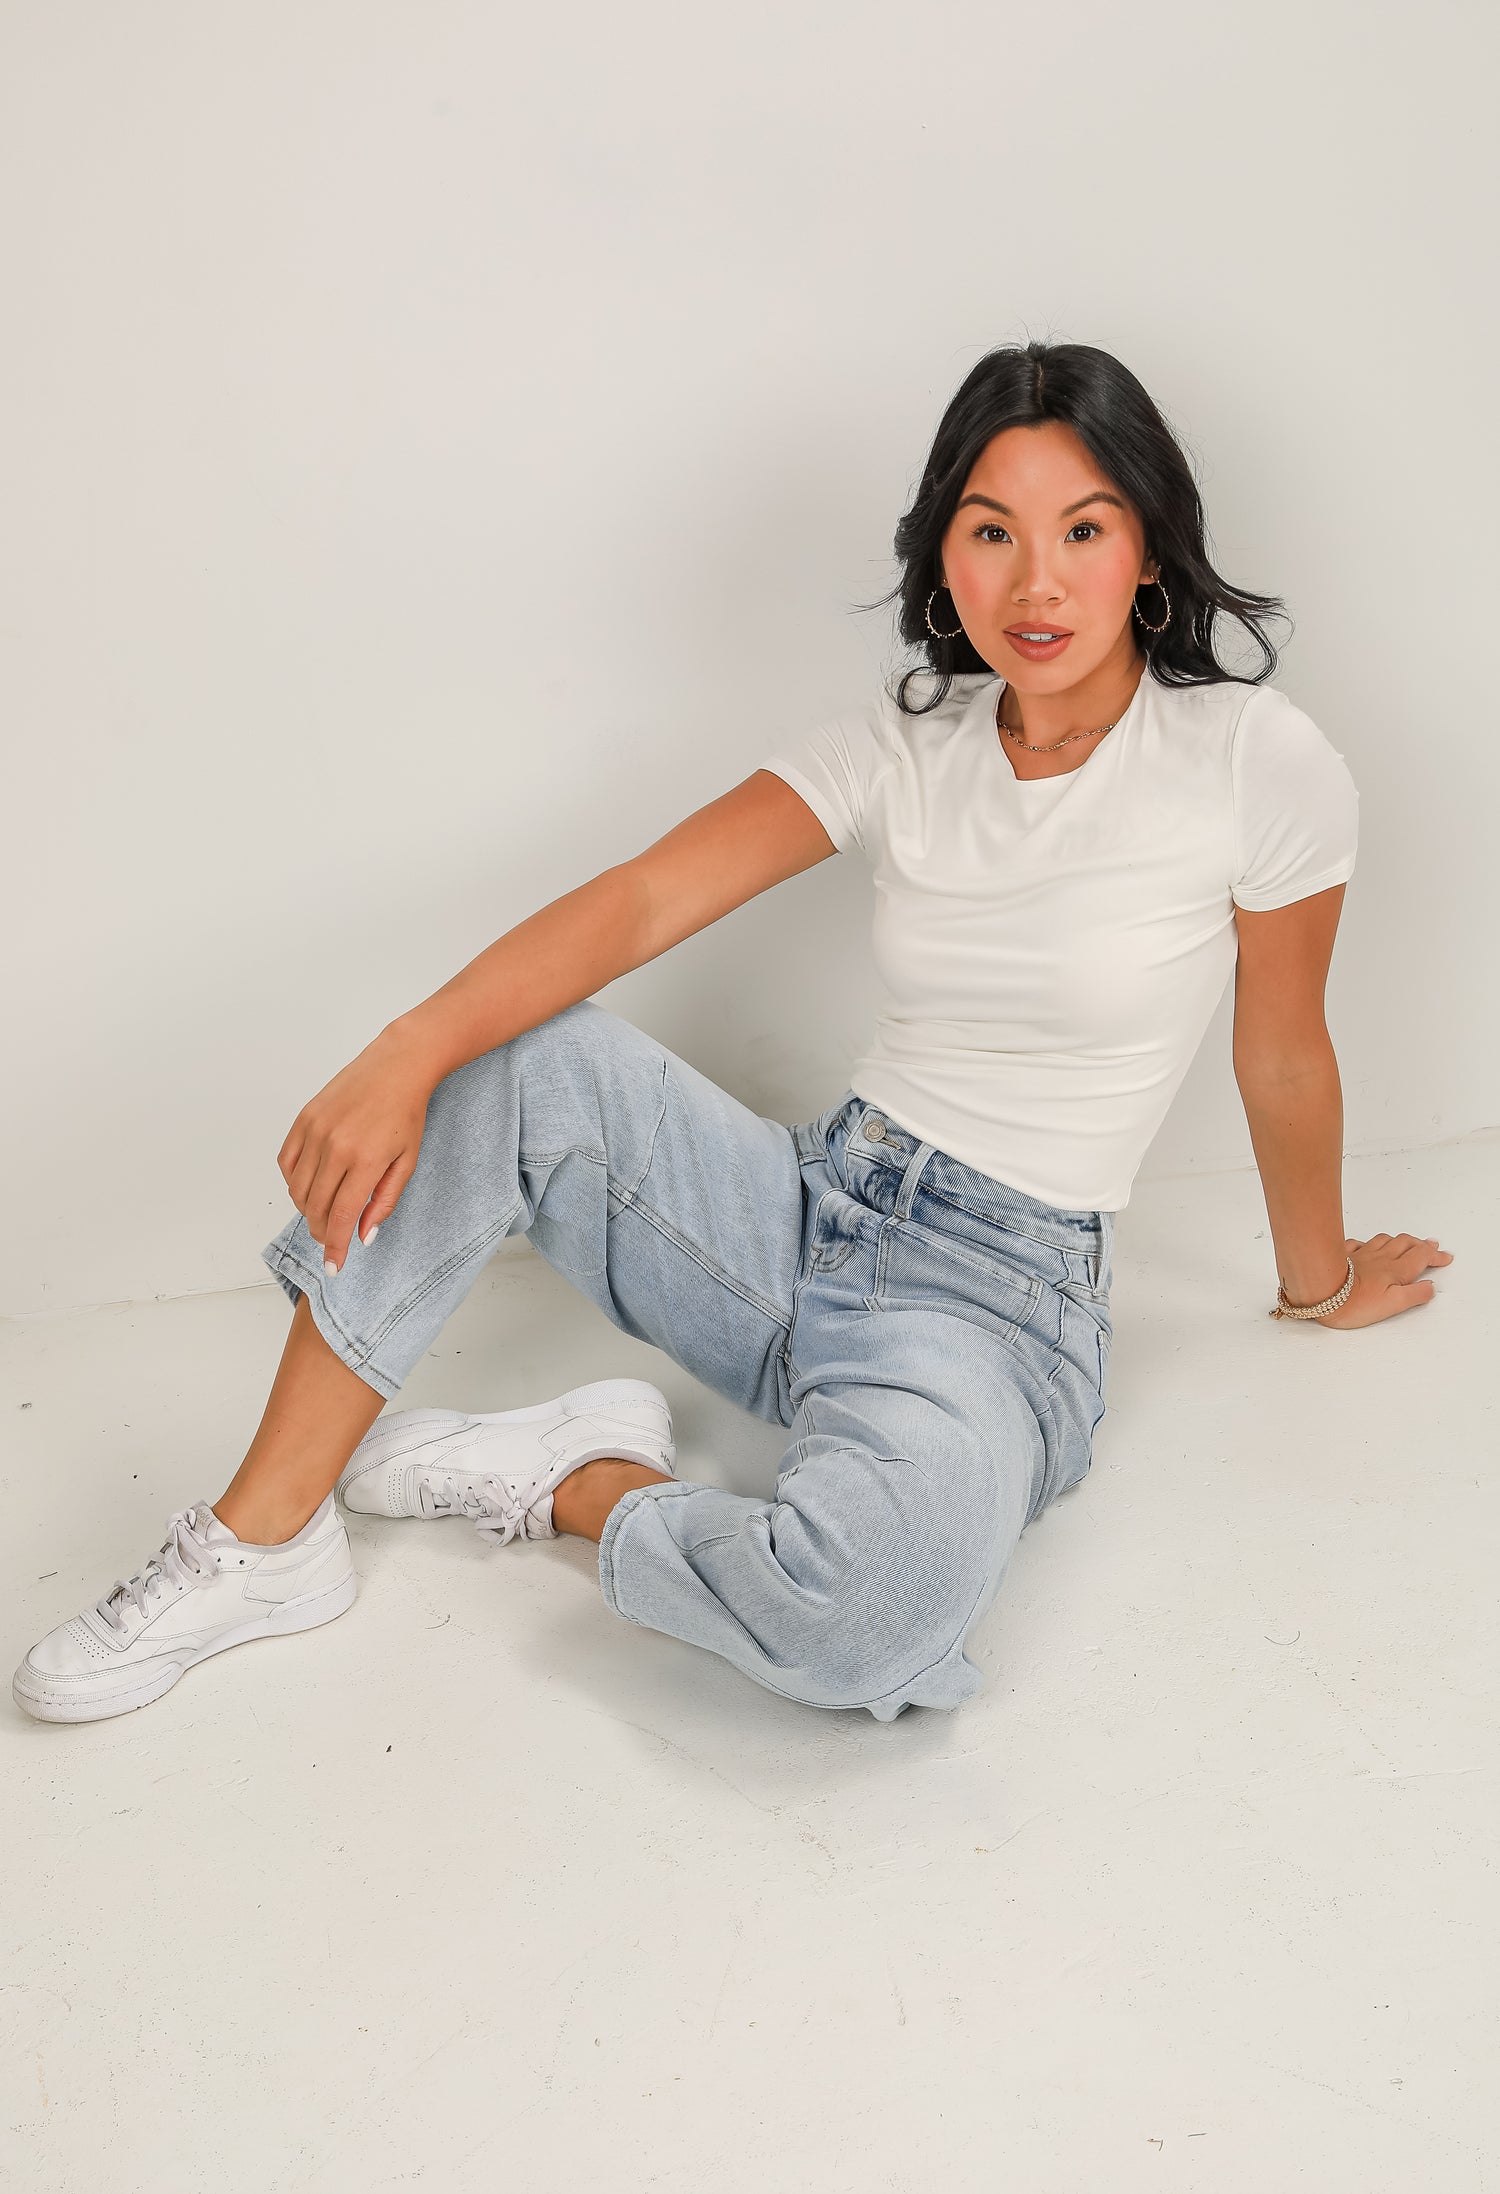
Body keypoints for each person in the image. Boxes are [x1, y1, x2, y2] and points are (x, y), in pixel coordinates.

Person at [14, 339, 1454, 1728]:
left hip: (1002, 1315)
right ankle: (262, 1539)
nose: (1038, 581)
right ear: (942, 559)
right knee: (506, 1055)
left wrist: (1316, 1284)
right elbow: (645, 899)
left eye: (1084, 529)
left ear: (1148, 543)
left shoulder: (1257, 765)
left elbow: (1283, 1049)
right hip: (804, 1216)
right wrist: (408, 1046)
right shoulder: (907, 746)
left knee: (869, 1615)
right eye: (991, 530)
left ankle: (573, 1476)